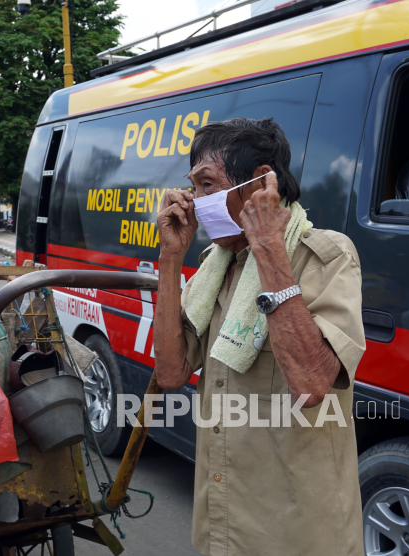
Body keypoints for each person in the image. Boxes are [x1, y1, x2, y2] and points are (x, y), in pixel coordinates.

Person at [153, 118, 366, 556]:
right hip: (223, 524)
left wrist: (268, 248)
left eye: (208, 183)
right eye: (192, 186)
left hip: (296, 534)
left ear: (259, 183)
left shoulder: (324, 255)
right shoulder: (216, 267)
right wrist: (170, 258)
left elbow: (311, 385)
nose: (194, 200)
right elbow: (171, 372)